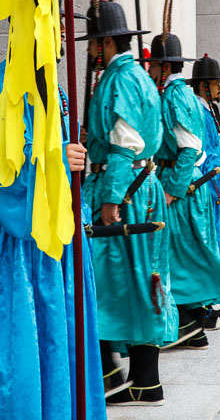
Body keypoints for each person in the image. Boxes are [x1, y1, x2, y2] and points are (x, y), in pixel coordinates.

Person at [81, 0, 178, 407]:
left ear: (105, 43)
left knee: (104, 282)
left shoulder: (121, 78)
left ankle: (113, 377)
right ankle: (143, 379)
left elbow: (125, 142)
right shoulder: (134, 75)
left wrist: (111, 199)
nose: (87, 51)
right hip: (139, 188)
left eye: (91, 43)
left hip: (125, 191)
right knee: (139, 281)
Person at [0, 56, 107, 419]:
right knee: (29, 345)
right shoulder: (7, 84)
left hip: (61, 237)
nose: (60, 36)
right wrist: (58, 160)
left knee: (61, 341)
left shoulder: (58, 88)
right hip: (26, 247)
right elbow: (7, 170)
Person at [145, 0, 220, 350]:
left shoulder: (174, 97)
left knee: (180, 256)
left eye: (154, 64)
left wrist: (171, 189)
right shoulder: (179, 96)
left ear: (164, 67)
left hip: (184, 192)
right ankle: (194, 327)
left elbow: (189, 149)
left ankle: (192, 326)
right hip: (188, 189)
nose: (150, 69)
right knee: (187, 255)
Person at [188, 53, 220, 328]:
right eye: (216, 83)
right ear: (205, 84)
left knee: (218, 243)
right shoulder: (197, 110)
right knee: (208, 245)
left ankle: (213, 301)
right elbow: (202, 153)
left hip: (218, 183)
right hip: (208, 185)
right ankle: (204, 305)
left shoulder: (211, 110)